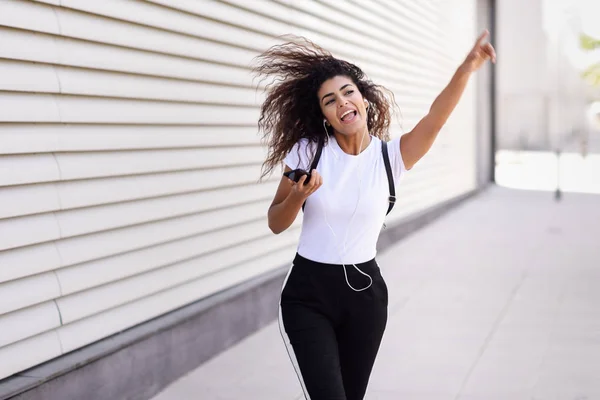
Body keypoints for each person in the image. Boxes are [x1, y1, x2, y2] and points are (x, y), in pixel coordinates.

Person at [254, 31, 496, 400]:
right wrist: (297, 197)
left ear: (365, 101)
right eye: (329, 100)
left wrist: (467, 68)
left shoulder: (391, 158)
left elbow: (436, 118)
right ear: (324, 116)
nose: (342, 103)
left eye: (348, 92)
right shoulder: (308, 152)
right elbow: (275, 222)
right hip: (308, 294)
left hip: (366, 296)